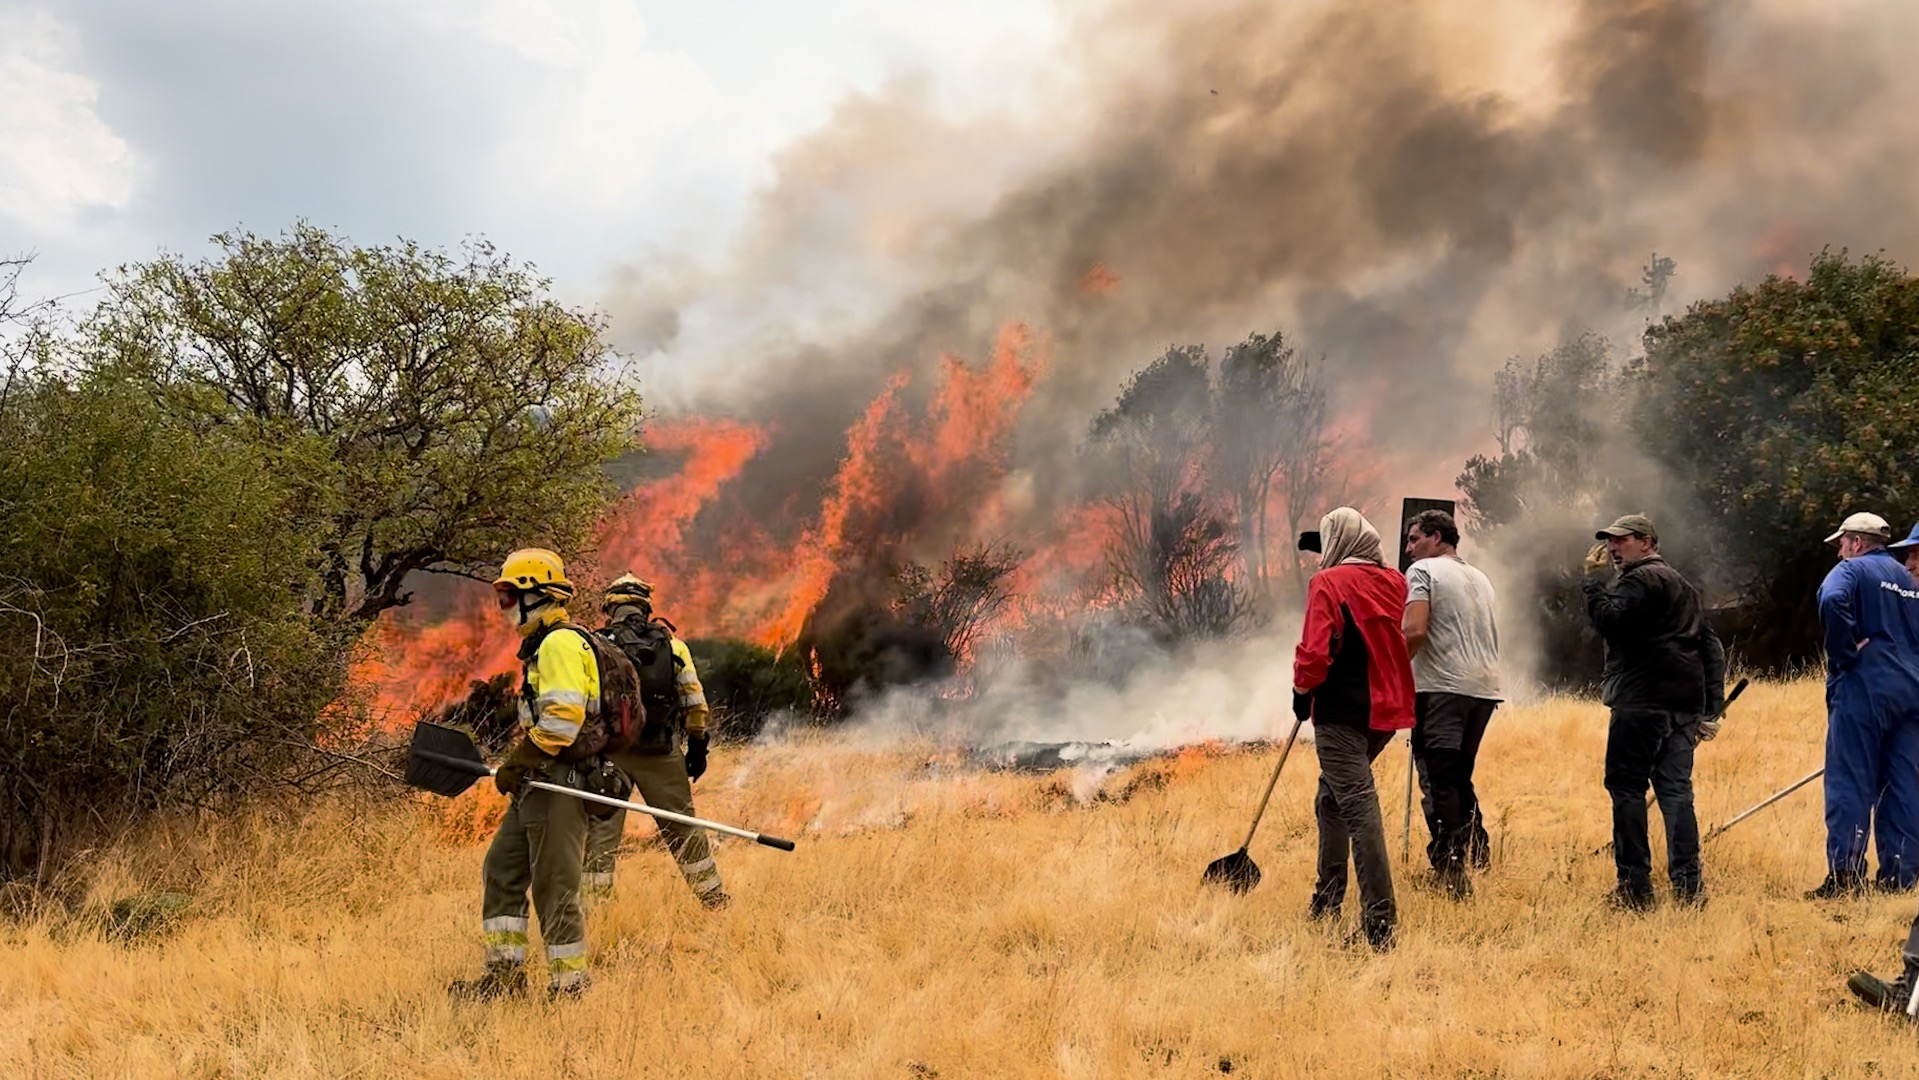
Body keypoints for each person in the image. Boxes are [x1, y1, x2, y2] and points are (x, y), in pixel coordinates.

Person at [449, 548, 600, 1001]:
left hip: (558, 780)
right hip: (538, 782)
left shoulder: (559, 644)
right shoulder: (543, 644)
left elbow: (562, 719)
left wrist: (518, 762)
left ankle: (569, 988)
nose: (504, 604)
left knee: (555, 885)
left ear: (538, 595)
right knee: (502, 870)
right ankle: (503, 980)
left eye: (510, 594)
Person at [1582, 514, 1725, 911]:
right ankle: (1690, 888)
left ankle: (1635, 888)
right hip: (1682, 707)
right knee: (1676, 794)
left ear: (1646, 543)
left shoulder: (1639, 580)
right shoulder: (1683, 585)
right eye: (1610, 542)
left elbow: (1610, 622)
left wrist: (1593, 586)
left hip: (1641, 702)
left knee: (1627, 789)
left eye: (1621, 541)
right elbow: (1712, 648)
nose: (1612, 549)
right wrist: (1711, 708)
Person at [1295, 507, 1416, 951]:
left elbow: (1315, 650)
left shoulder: (1327, 583)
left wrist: (1300, 689)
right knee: (1332, 798)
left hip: (1340, 714)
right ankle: (1326, 898)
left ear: (1339, 543)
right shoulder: (1395, 582)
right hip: (1385, 711)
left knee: (1359, 808)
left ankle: (1379, 922)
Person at [582, 574, 729, 910]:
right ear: (646, 607)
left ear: (610, 606)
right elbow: (696, 704)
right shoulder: (672, 646)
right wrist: (697, 748)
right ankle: (713, 899)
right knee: (683, 826)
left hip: (609, 754)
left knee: (600, 836)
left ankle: (594, 913)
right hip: (660, 749)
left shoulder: (592, 645)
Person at [1809, 512, 1919, 898]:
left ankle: (1846, 878)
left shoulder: (1853, 572)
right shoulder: (1909, 578)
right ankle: (1901, 878)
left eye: (1841, 544)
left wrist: (1844, 653)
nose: (1840, 552)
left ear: (1856, 543)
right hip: (1911, 691)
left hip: (1864, 688)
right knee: (1904, 784)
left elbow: (1831, 598)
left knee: (1851, 780)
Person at [1401, 509, 1502, 898]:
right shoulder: (1480, 577)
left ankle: (1450, 866)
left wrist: (1393, 671)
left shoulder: (1424, 572)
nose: (1410, 549)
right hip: (1484, 689)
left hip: (1441, 688)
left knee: (1438, 778)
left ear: (1439, 537)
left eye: (1415, 539)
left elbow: (1414, 628)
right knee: (1458, 775)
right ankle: (1478, 854)